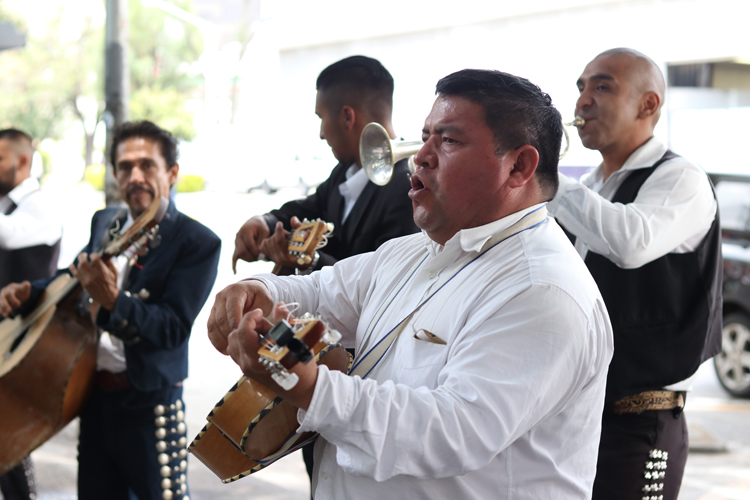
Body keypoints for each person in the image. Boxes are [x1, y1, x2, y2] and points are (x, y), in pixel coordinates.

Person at [208, 69, 614, 499]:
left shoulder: (543, 290)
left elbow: (452, 432)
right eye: (424, 137)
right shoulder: (413, 250)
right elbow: (325, 291)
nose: (420, 156)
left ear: (518, 166)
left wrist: (311, 388)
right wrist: (257, 291)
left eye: (449, 140)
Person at [0, 121, 221, 500]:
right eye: (124, 167)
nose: (134, 176)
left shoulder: (197, 242)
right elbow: (74, 276)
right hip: (94, 400)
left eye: (146, 165)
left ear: (171, 172)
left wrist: (115, 302)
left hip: (149, 407)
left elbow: (171, 329)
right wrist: (29, 292)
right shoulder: (107, 221)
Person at [547, 48, 722, 500]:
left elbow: (631, 242)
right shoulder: (589, 187)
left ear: (649, 105)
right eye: (581, 87)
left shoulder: (680, 178)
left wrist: (545, 175)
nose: (583, 100)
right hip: (580, 416)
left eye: (602, 86)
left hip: (643, 421)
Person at [231, 55, 418, 277]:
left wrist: (312, 261)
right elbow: (309, 207)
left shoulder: (410, 188)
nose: (321, 134)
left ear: (348, 117)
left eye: (321, 118)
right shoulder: (343, 172)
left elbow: (383, 279)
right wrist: (265, 221)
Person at [0, 128, 62, 500]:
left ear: (23, 161)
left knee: (10, 444)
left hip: (22, 347)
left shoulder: (40, 204)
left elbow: (6, 236)